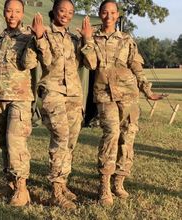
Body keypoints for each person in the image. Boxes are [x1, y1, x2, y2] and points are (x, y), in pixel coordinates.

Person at [0, 0, 49, 207]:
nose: (12, 15)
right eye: (9, 11)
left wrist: (37, 37)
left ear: (22, 14)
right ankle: (11, 184)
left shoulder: (27, 37)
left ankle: (22, 189)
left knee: (16, 143)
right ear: (4, 13)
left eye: (17, 11)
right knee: (4, 144)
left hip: (20, 99)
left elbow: (29, 63)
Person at [88, 0, 166, 206]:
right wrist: (87, 40)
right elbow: (90, 63)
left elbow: (136, 66)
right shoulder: (92, 38)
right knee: (111, 133)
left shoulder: (127, 39)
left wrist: (147, 90)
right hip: (105, 94)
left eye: (112, 12)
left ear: (118, 14)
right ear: (100, 14)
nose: (108, 16)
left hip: (129, 94)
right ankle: (104, 185)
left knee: (128, 136)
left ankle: (119, 181)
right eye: (105, 12)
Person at [24, 0, 95, 210]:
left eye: (70, 12)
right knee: (61, 137)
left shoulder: (75, 39)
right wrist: (38, 38)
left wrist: (87, 39)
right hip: (53, 93)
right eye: (62, 10)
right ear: (54, 11)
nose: (66, 15)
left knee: (71, 141)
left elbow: (91, 64)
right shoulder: (43, 33)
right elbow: (44, 61)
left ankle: (63, 184)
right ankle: (55, 190)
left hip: (74, 96)